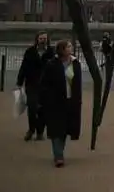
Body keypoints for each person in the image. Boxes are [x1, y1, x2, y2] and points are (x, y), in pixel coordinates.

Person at [40, 40, 83, 168]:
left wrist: (78, 100)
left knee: (64, 129)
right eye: (68, 46)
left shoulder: (75, 64)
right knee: (56, 129)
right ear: (62, 50)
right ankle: (58, 156)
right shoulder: (52, 65)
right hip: (55, 102)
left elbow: (78, 84)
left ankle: (60, 152)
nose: (71, 48)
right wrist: (45, 99)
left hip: (70, 101)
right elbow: (45, 84)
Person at [16, 31, 55, 141]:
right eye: (41, 38)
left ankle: (40, 132)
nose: (43, 40)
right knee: (32, 107)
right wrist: (19, 81)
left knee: (43, 109)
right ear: (37, 39)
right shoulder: (30, 52)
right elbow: (24, 67)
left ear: (48, 40)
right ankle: (31, 129)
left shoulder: (51, 52)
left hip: (46, 85)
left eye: (45, 38)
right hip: (32, 83)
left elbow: (56, 68)